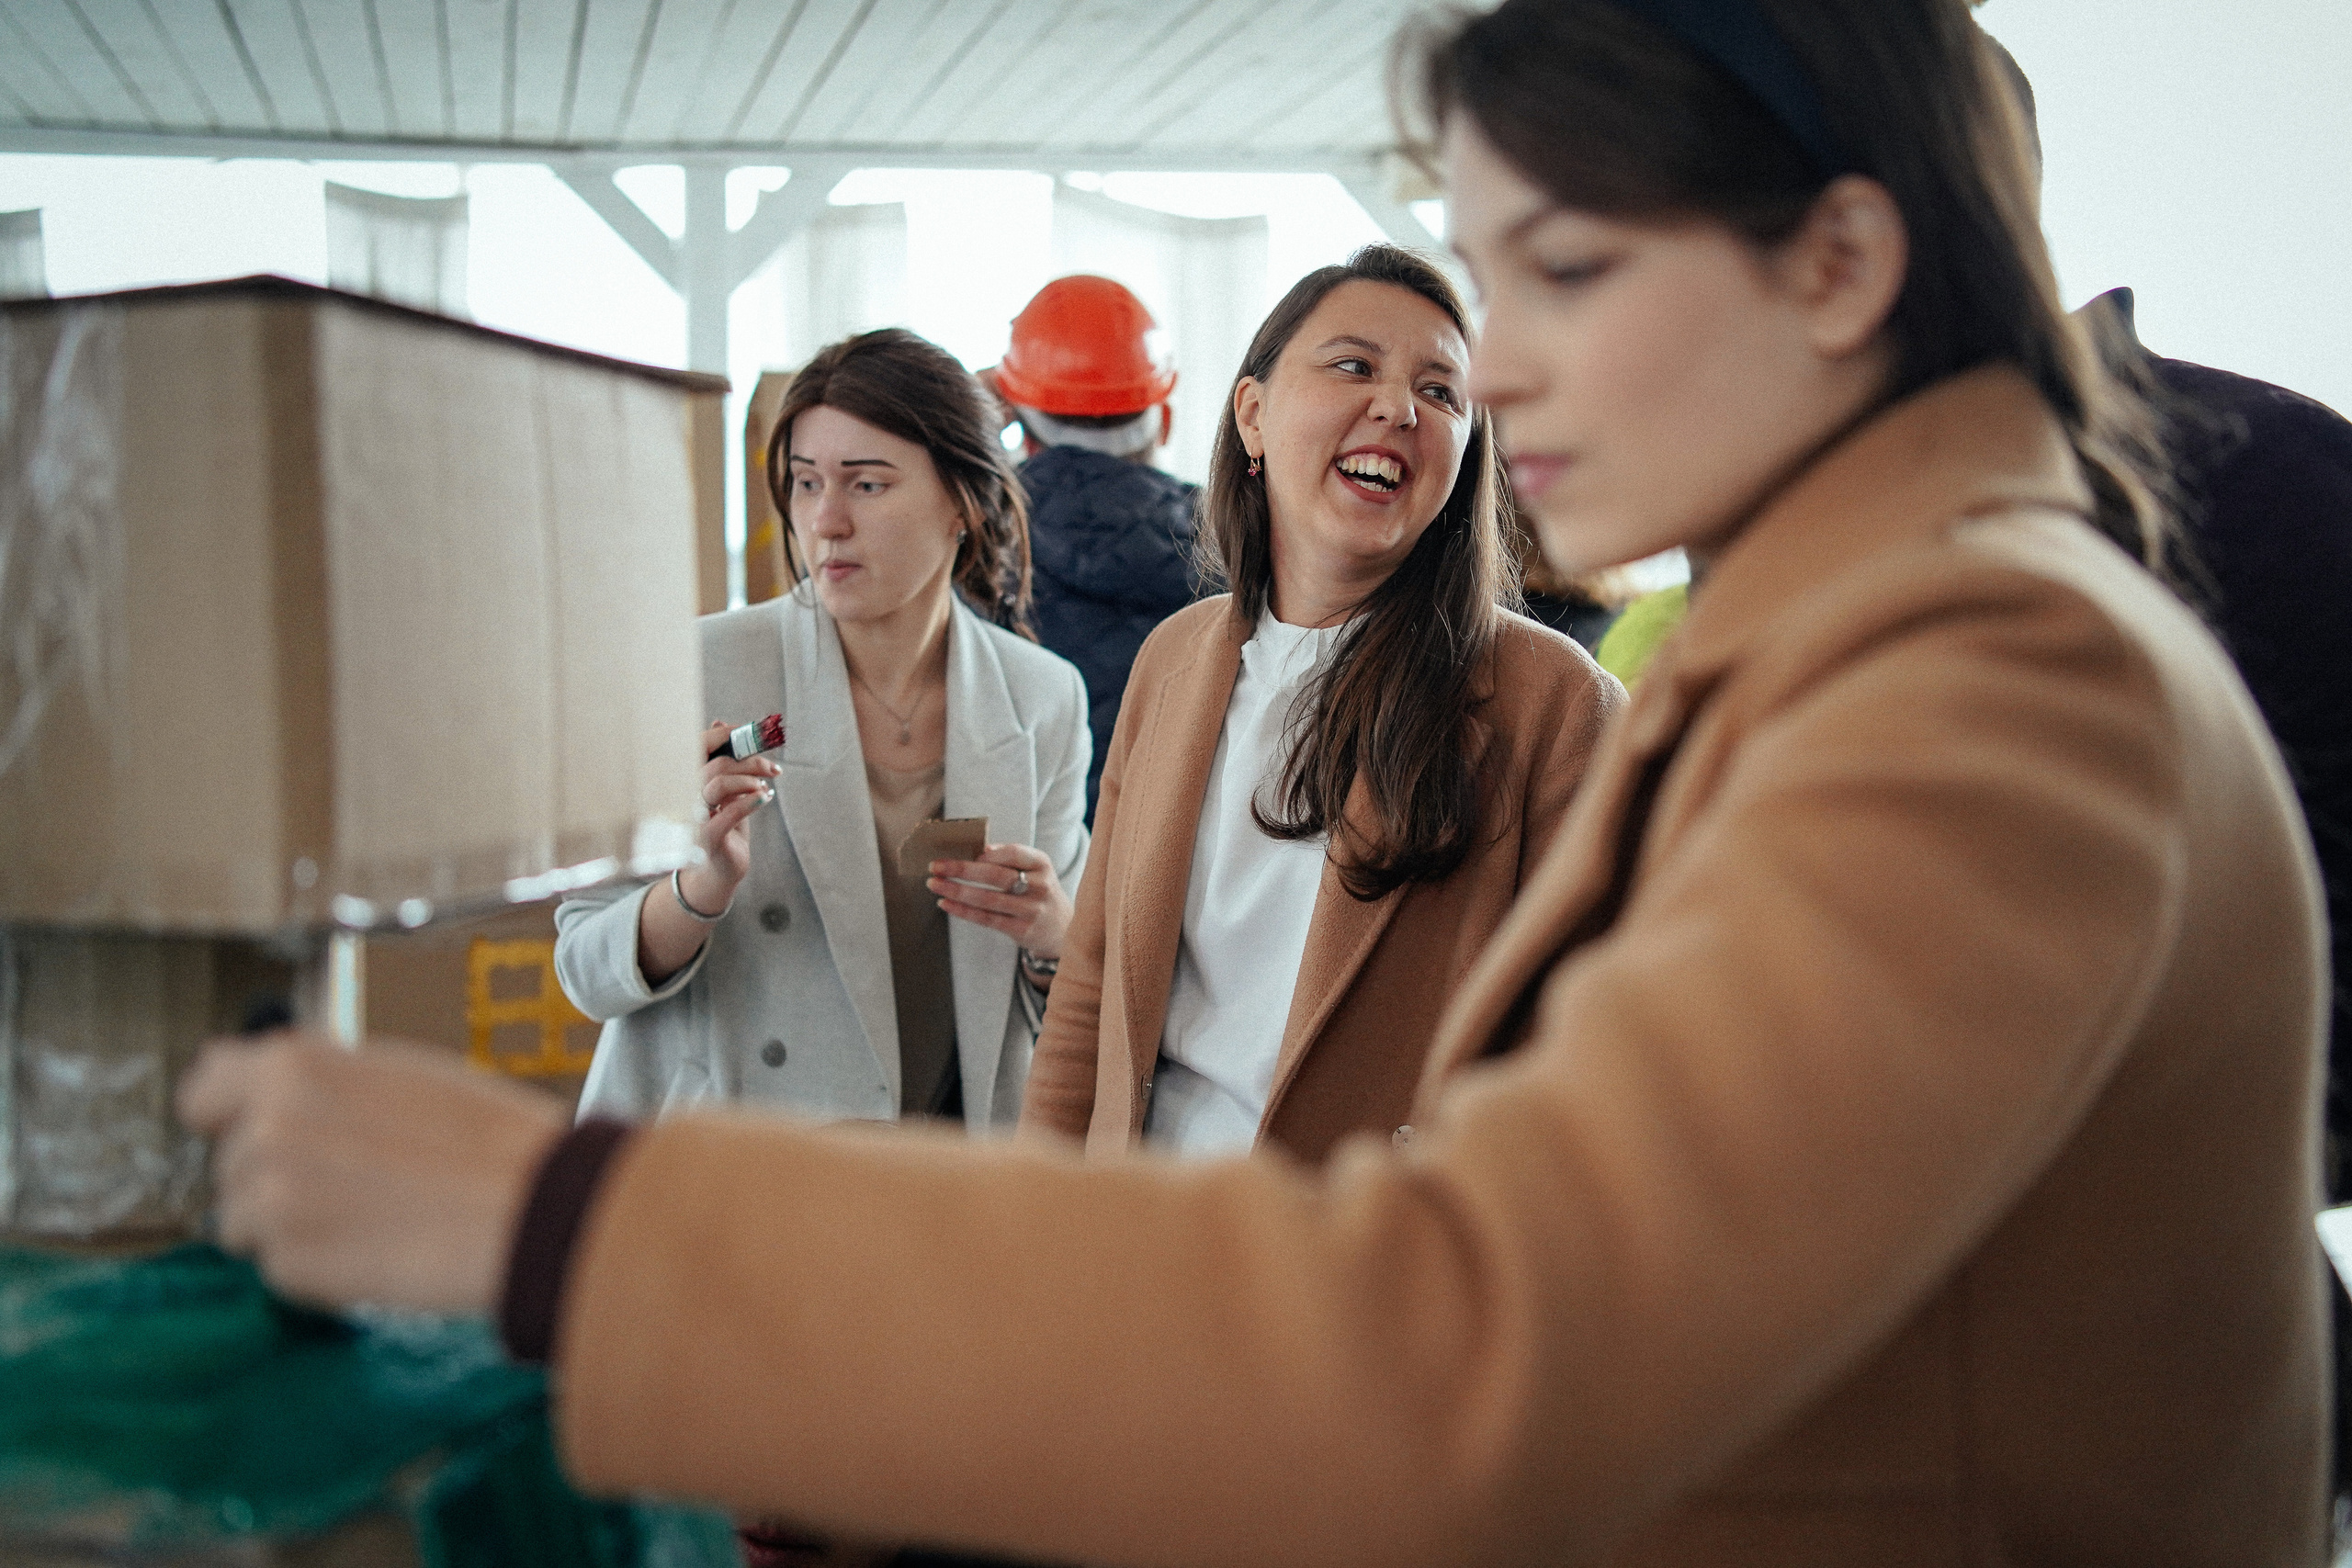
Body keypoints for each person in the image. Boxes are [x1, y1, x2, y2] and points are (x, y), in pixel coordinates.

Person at [183, 3, 2331, 1563]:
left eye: (1556, 276)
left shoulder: (1976, 690)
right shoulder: (1834, 643)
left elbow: (1468, 1336)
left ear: (1842, 267)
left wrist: (555, 1221)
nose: (1479, 374)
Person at [1020, 245, 1621, 1165]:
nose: (1396, 406)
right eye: (1352, 365)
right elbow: (1093, 986)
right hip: (1141, 1235)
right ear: (1252, 415)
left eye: (1440, 391)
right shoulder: (1174, 659)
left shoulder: (1550, 701)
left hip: (1360, 1258)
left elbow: (1588, 1050)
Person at [555, 327, 1090, 1134]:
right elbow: (584, 969)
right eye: (806, 484)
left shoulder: (1042, 698)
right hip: (732, 1174)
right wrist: (697, 889)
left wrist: (1056, 935)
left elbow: (1071, 1012)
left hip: (939, 1185)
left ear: (963, 503)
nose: (826, 522)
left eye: (867, 485)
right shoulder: (698, 669)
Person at [990, 276, 1202, 821]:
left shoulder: (980, 544)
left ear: (1020, 429)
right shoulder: (1243, 540)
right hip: (1184, 876)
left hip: (1036, 873)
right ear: (1166, 421)